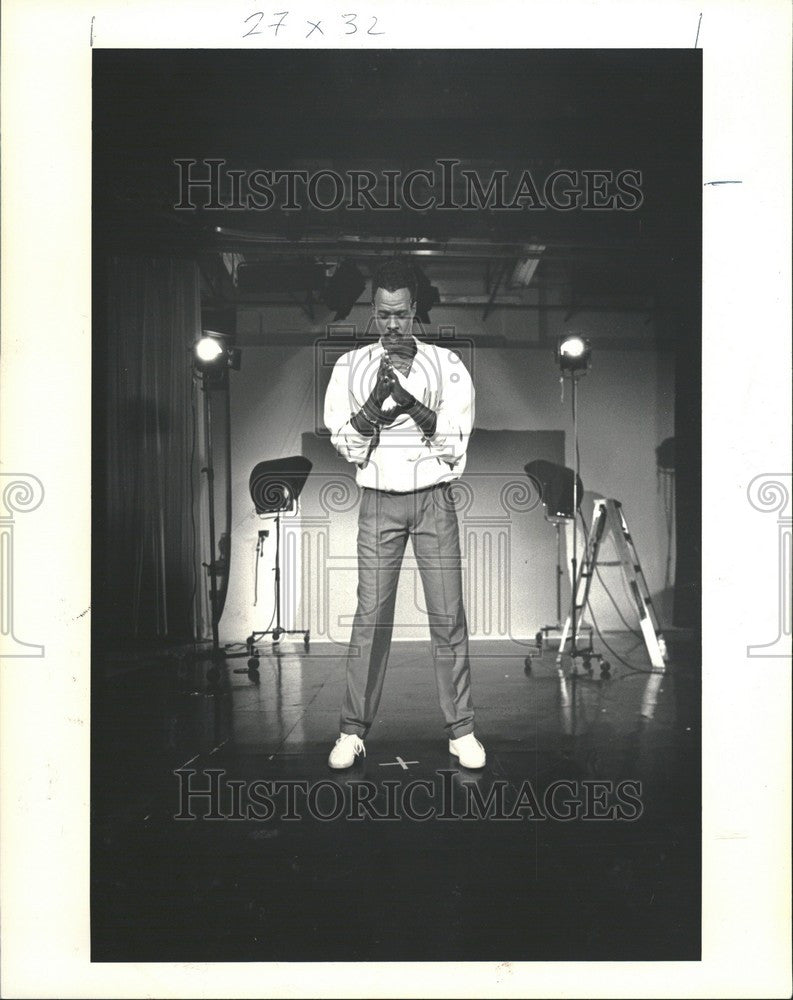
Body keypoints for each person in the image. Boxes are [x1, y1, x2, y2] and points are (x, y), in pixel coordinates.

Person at [323, 256, 485, 770]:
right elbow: (347, 443)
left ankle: (462, 731)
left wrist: (411, 403)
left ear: (414, 310)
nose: (392, 325)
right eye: (384, 314)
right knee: (370, 619)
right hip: (378, 501)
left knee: (447, 615)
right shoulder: (350, 367)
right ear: (374, 311)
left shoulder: (448, 366)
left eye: (401, 314)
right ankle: (352, 731)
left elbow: (455, 443)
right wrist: (375, 401)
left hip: (434, 498)